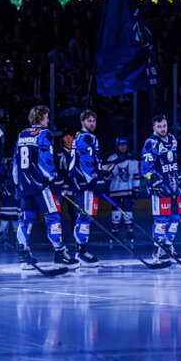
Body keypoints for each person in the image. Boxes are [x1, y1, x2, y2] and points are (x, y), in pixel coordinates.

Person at [13, 105, 77, 267]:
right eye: (47, 117)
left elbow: (15, 162)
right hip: (40, 184)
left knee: (25, 219)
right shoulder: (44, 133)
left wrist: (17, 183)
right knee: (53, 215)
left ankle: (23, 254)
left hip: (24, 184)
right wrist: (53, 177)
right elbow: (45, 159)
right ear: (41, 118)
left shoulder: (22, 134)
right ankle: (59, 252)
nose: (48, 120)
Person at [141, 114, 181, 261]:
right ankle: (157, 250)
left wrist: (177, 176)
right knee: (161, 220)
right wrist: (154, 181)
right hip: (159, 189)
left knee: (176, 219)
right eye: (159, 127)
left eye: (164, 126)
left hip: (173, 187)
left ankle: (168, 245)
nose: (163, 129)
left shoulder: (172, 139)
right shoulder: (151, 143)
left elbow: (173, 161)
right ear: (154, 128)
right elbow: (145, 169)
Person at [66, 110, 104, 264]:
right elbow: (86, 162)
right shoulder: (86, 137)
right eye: (89, 121)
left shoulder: (85, 137)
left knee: (86, 215)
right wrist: (94, 179)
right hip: (83, 182)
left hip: (84, 181)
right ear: (82, 122)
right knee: (84, 216)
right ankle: (81, 251)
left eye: (94, 120)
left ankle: (82, 249)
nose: (92, 123)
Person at [106, 137, 141, 242]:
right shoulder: (112, 158)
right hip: (115, 191)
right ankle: (114, 232)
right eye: (120, 145)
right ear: (117, 146)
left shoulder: (132, 159)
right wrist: (107, 172)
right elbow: (106, 176)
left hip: (128, 190)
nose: (122, 147)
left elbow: (136, 175)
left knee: (128, 212)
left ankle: (129, 232)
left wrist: (136, 189)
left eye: (124, 145)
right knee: (115, 213)